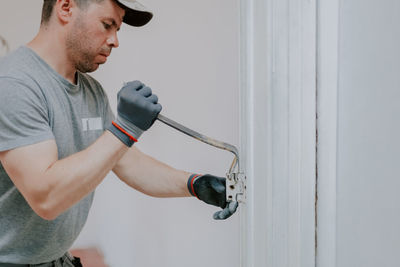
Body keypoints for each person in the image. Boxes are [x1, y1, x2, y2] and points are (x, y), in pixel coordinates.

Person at [0, 0, 238, 266]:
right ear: (66, 7)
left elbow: (127, 162)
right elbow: (46, 198)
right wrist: (125, 127)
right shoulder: (15, 84)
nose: (115, 41)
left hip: (57, 260)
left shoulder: (91, 91)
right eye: (107, 25)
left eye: (118, 29)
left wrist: (195, 184)